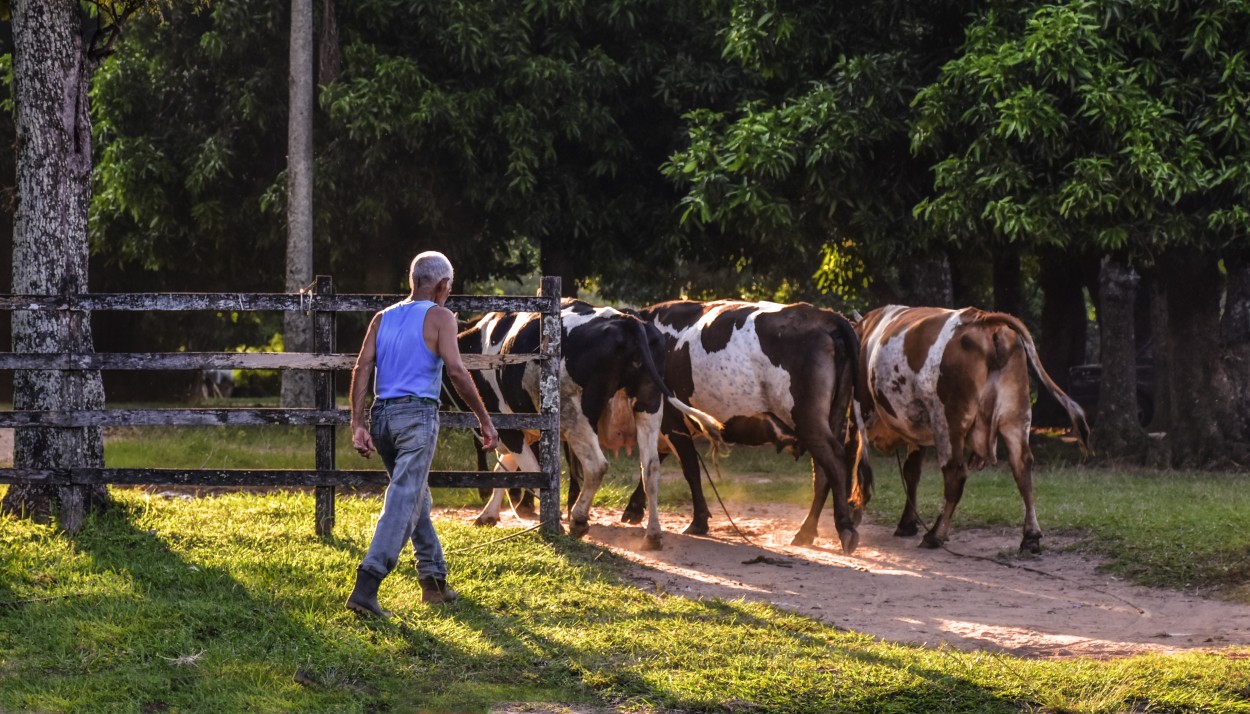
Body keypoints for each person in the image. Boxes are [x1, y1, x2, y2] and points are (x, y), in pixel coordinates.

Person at [345, 251, 499, 617]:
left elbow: (362, 366)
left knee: (415, 497)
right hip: (417, 416)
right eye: (450, 286)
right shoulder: (441, 316)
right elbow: (459, 373)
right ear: (443, 285)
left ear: (413, 280)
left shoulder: (383, 317)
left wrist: (358, 423)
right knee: (403, 497)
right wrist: (485, 419)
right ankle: (367, 584)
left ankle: (433, 581)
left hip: (382, 416)